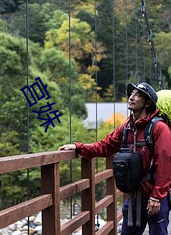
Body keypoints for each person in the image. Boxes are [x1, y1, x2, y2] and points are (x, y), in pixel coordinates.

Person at [58, 82, 171, 235]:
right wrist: (78, 147)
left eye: (137, 95)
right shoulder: (126, 128)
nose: (131, 97)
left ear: (148, 103)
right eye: (131, 94)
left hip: (154, 196)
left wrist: (157, 197)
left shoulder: (159, 128)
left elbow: (165, 163)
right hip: (134, 196)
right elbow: (105, 146)